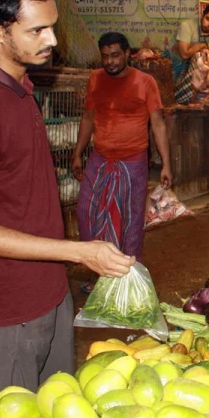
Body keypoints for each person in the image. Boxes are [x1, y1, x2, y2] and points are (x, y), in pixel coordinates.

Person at [0, 0, 135, 401]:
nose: (51, 39)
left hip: (48, 290)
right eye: (36, 31)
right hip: (7, 306)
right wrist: (78, 251)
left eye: (51, 26)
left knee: (58, 405)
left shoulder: (20, 84)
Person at [73, 32, 172, 291]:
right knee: (86, 213)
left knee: (130, 221)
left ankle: (128, 278)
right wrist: (77, 153)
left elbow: (158, 125)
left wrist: (166, 164)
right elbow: (87, 118)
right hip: (100, 158)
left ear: (128, 54)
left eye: (115, 55)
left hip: (133, 162)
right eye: (105, 56)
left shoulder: (145, 82)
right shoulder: (95, 79)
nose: (110, 61)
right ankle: (98, 273)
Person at [172, 4, 209, 104]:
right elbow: (184, 54)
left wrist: (196, 49)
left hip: (193, 73)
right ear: (202, 15)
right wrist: (201, 45)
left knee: (207, 60)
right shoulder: (187, 25)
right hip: (175, 66)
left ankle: (193, 99)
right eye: (208, 19)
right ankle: (181, 98)